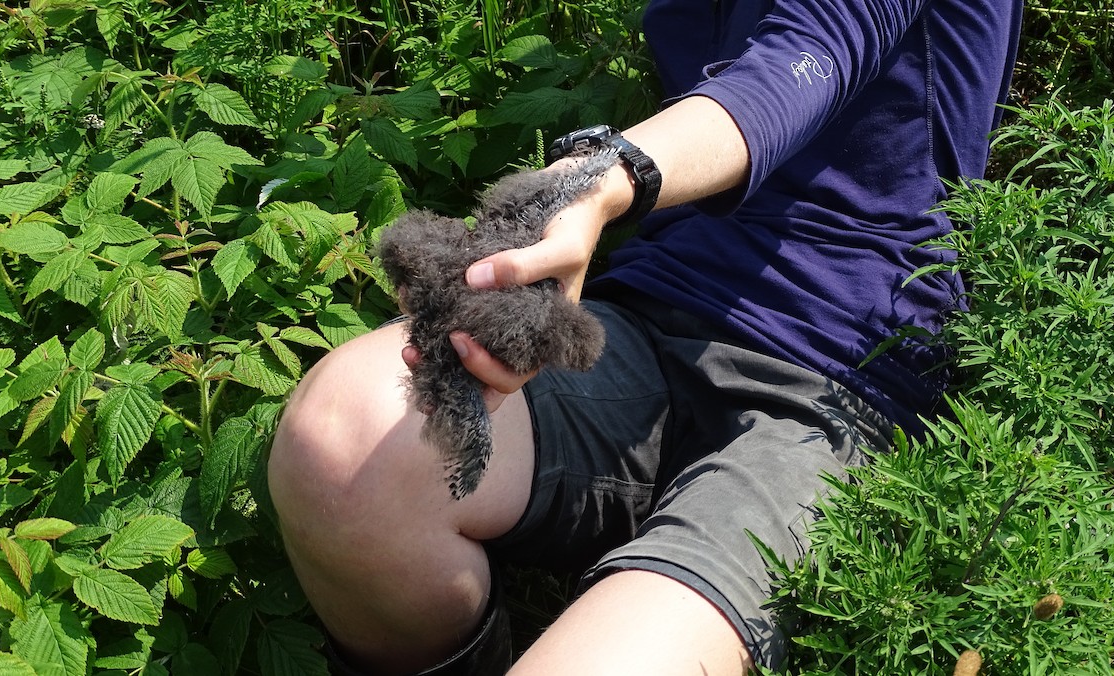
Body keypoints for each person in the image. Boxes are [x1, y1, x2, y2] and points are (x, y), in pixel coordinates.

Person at [266, 0, 1023, 673]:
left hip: (844, 381)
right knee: (345, 440)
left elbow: (806, 56)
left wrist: (600, 177)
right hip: (658, 314)